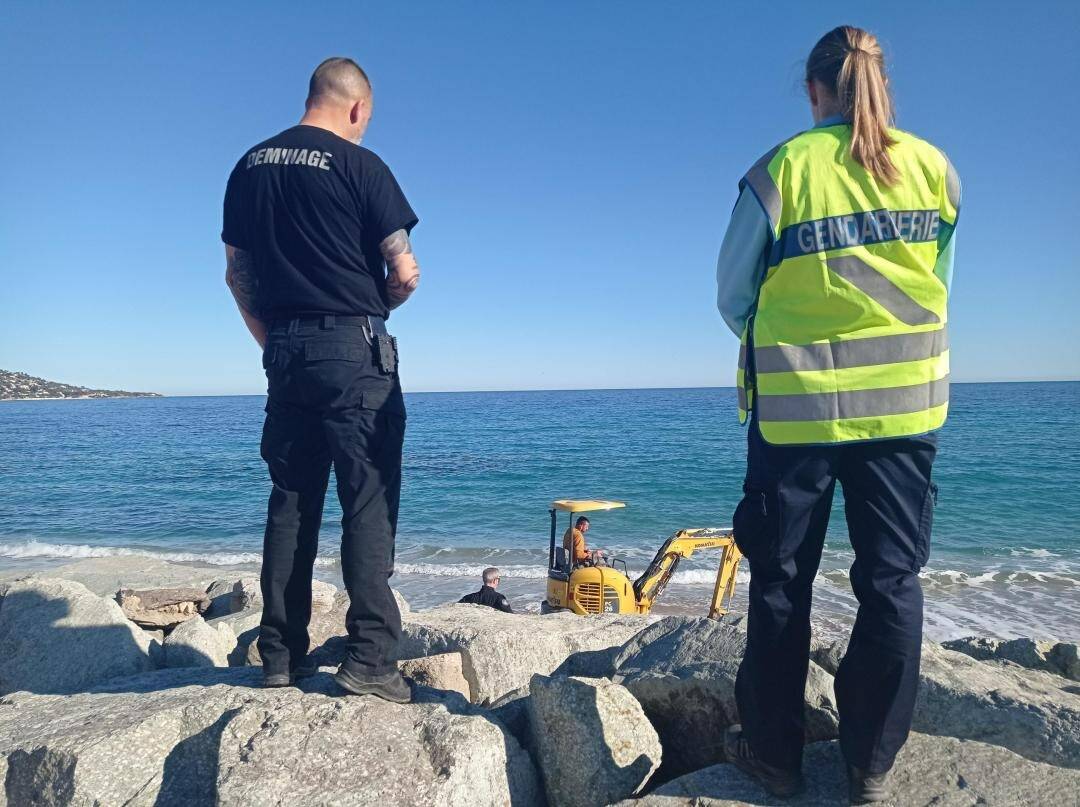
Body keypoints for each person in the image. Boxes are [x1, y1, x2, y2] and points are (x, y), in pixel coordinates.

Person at [715, 26, 959, 804]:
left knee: (782, 577)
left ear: (814, 90)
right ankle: (871, 760)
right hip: (906, 411)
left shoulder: (782, 170)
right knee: (891, 581)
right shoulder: (935, 171)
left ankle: (775, 754)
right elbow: (938, 282)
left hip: (798, 414)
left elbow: (732, 294)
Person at [222, 57, 422, 703]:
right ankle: (369, 658)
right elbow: (406, 268)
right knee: (366, 499)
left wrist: (273, 343)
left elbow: (237, 275)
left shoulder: (247, 167)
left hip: (283, 349)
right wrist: (385, 303)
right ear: (357, 108)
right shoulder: (363, 165)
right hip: (352, 346)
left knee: (292, 498)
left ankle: (279, 655)